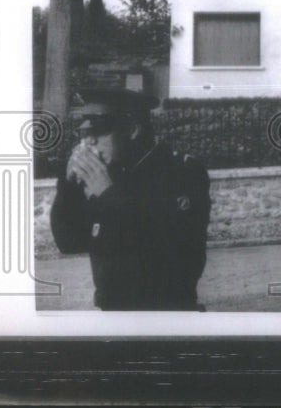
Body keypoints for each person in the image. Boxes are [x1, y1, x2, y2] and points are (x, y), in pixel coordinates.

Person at [50, 89, 210, 311]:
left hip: (167, 313)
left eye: (101, 130)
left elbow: (173, 255)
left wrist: (110, 197)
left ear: (133, 129)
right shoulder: (107, 173)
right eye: (85, 133)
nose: (90, 141)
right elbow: (68, 242)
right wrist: (68, 187)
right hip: (113, 314)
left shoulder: (180, 171)